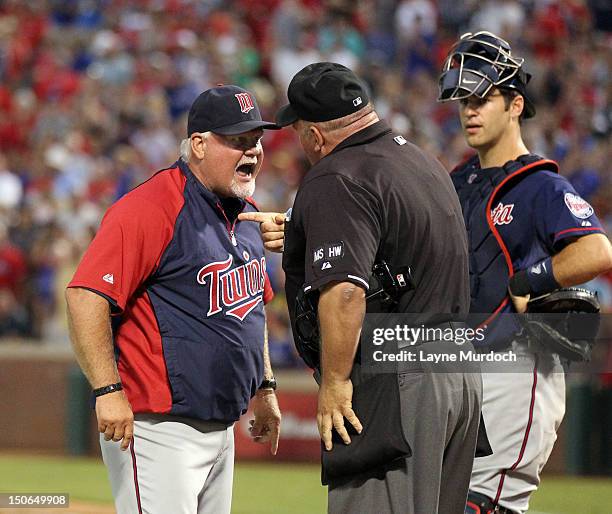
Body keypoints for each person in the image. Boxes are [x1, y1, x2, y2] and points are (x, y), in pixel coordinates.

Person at [244, 62, 484, 514]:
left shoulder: (336, 176)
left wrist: (334, 381)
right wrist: (301, 229)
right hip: (456, 370)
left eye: (298, 130)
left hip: (399, 378)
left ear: (314, 135)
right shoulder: (418, 159)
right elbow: (397, 241)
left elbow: (347, 289)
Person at [65, 85, 282, 514]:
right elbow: (85, 296)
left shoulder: (248, 213)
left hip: (222, 428)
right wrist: (107, 390)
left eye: (255, 140)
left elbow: (250, 311)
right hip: (157, 429)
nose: (253, 150)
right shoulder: (150, 206)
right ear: (198, 145)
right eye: (237, 140)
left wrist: (266, 387)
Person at [437, 31, 612, 514]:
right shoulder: (458, 181)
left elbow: (596, 250)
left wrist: (527, 280)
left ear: (515, 104)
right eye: (463, 101)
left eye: (482, 99)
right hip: (462, 364)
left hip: (519, 365)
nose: (469, 111)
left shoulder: (540, 184)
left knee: (487, 505)